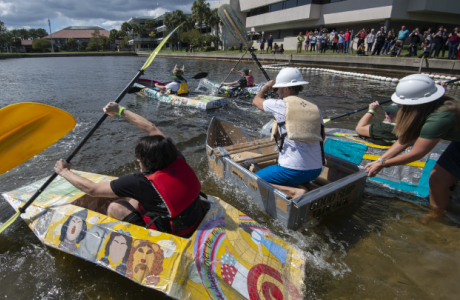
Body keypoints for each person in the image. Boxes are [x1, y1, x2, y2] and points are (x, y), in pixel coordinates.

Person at [54, 103, 204, 236]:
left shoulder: (140, 182)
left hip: (170, 233)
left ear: (141, 160)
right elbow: (151, 129)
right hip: (194, 217)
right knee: (134, 198)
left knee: (115, 206)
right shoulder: (177, 158)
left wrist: (63, 172)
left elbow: (92, 189)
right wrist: (119, 110)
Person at [365, 74, 459, 222]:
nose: (399, 106)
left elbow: (417, 152)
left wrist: (383, 164)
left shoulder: (439, 117)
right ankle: (438, 213)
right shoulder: (429, 106)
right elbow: (405, 140)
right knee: (437, 179)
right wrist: (380, 159)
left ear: (418, 104)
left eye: (402, 103)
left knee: (438, 178)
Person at [252, 68, 324, 199]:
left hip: (293, 171)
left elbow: (256, 101)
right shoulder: (314, 107)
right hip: (316, 169)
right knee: (300, 174)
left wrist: (266, 87)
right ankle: (312, 189)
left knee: (254, 178)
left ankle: (295, 192)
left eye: (277, 89)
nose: (276, 92)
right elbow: (322, 137)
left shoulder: (280, 105)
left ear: (286, 89)